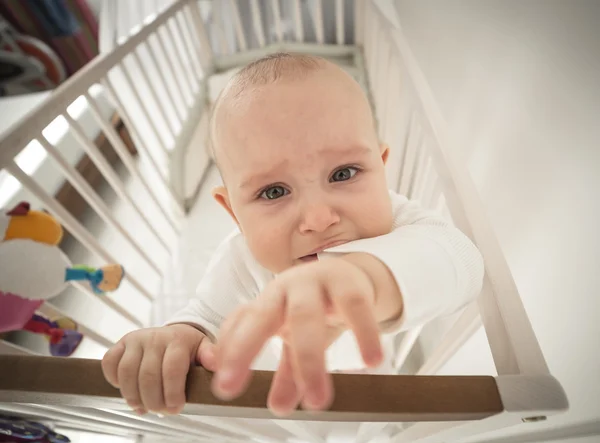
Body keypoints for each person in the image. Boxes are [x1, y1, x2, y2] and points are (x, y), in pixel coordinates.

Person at [101, 53, 484, 418]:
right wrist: (178, 337)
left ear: (381, 169)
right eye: (273, 192)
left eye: (344, 173)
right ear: (234, 212)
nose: (318, 219)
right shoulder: (242, 260)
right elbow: (207, 317)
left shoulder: (400, 222)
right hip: (280, 409)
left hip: (376, 392)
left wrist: (367, 277)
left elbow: (462, 262)